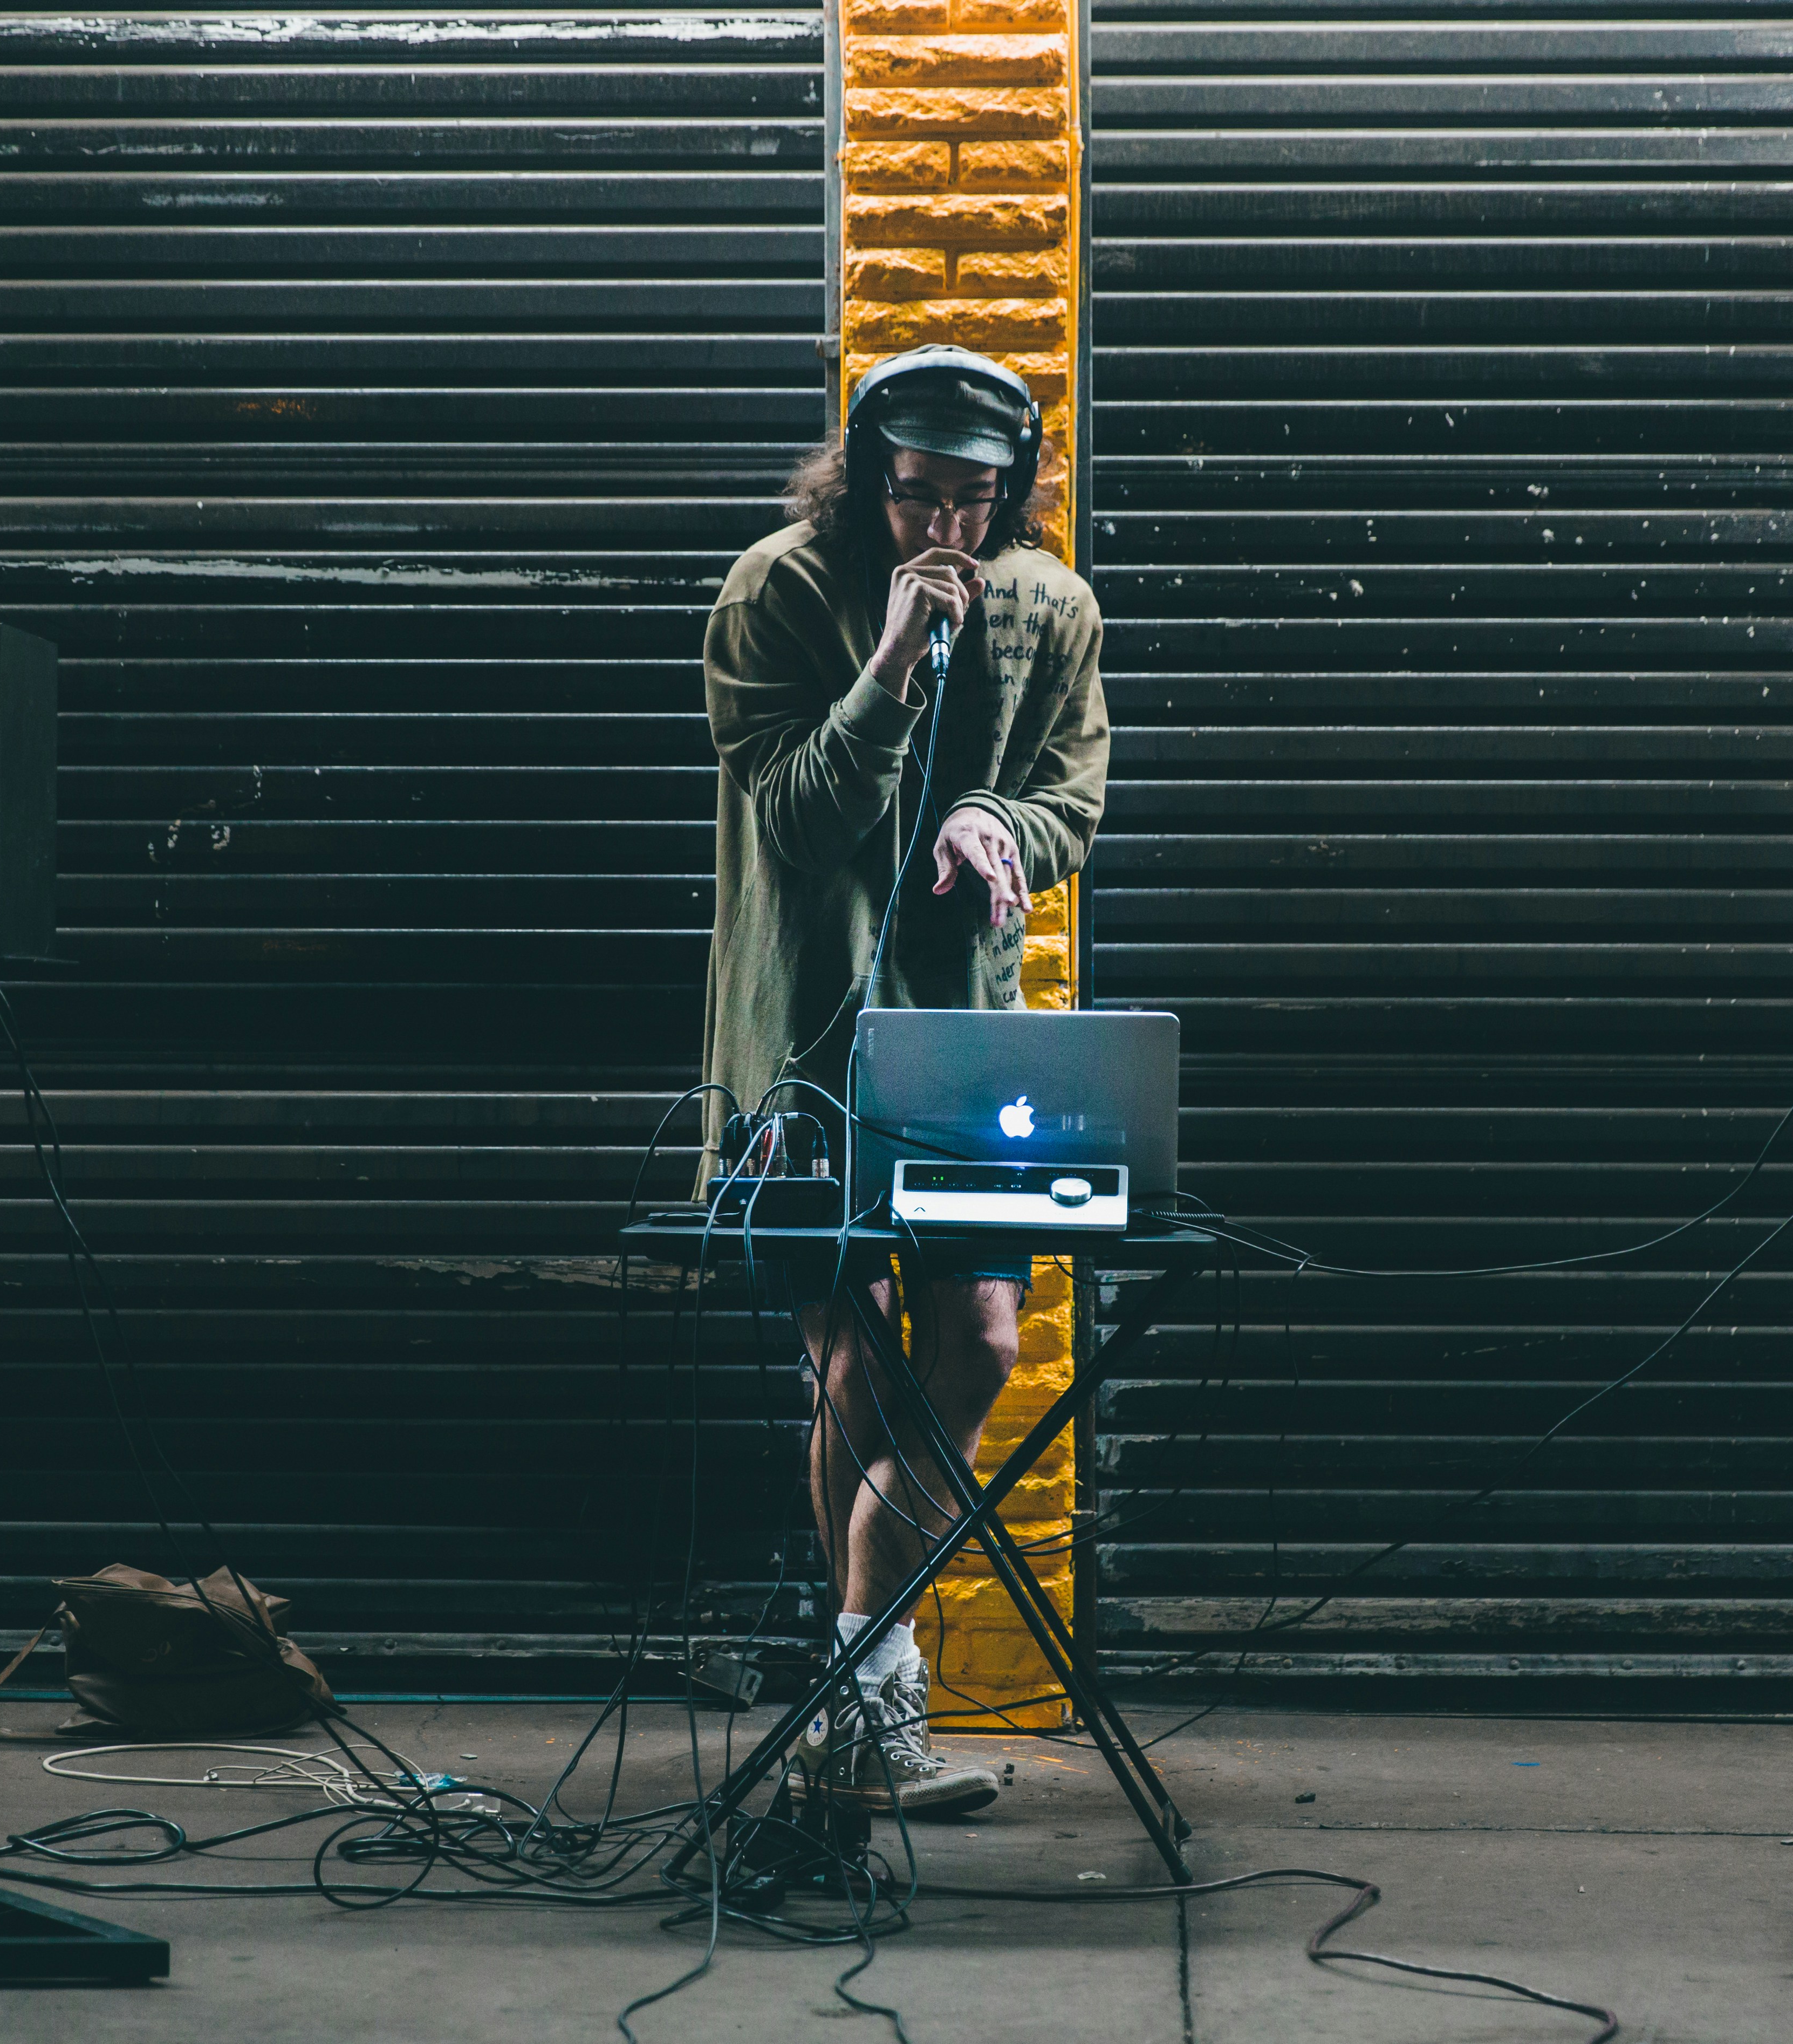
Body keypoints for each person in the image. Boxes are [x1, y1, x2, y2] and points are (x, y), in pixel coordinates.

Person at [700, 345, 1108, 1816]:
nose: (945, 534)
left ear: (1014, 490)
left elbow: (1076, 794)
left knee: (985, 1344)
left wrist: (1002, 819)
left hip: (962, 1043)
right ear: (867, 478)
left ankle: (855, 1675)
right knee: (854, 1360)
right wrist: (885, 661)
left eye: (975, 505)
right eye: (915, 500)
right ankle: (871, 1711)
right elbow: (800, 818)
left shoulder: (1053, 606)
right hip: (800, 1038)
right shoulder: (776, 590)